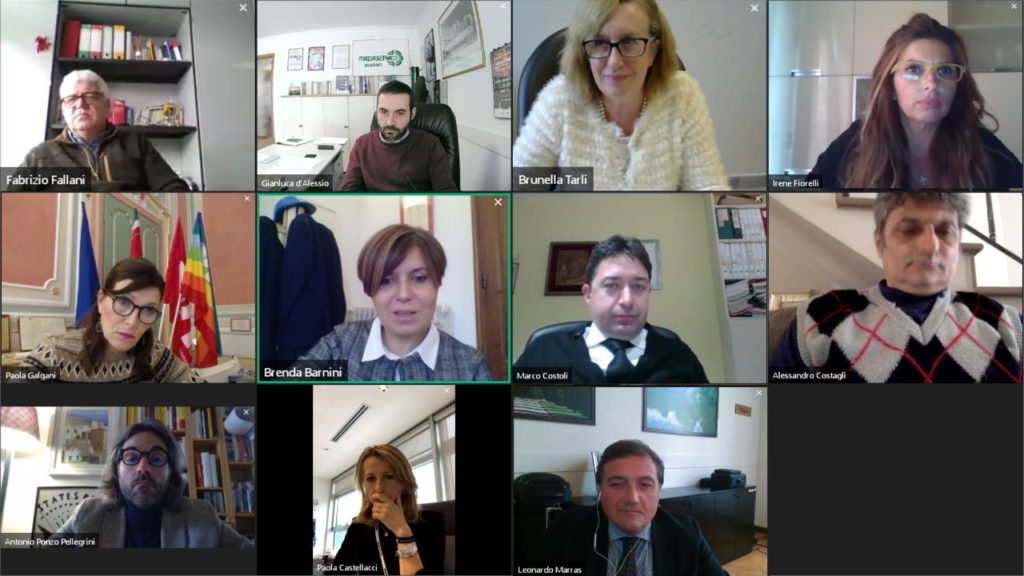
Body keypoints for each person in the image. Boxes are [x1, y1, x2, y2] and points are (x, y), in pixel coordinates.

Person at [769, 192, 1022, 383]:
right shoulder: (819, 318)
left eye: (945, 231)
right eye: (909, 230)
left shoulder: (1006, 322)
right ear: (880, 243)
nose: (930, 246)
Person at [513, 0, 729, 191]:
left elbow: (708, 186)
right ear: (585, 52)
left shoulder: (682, 95)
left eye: (629, 42)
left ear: (653, 51)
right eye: (599, 43)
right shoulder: (559, 99)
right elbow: (518, 184)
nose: (614, 61)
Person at [811, 14, 1022, 189]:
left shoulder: (984, 147)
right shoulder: (856, 140)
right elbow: (806, 186)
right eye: (913, 69)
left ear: (957, 87)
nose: (931, 83)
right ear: (891, 86)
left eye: (945, 70)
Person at [297, 224, 491, 381]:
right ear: (370, 289)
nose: (404, 295)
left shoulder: (470, 366)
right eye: (386, 281)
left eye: (419, 278)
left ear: (437, 284)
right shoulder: (339, 343)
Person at [515, 235, 708, 383]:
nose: (627, 301)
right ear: (588, 294)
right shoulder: (545, 350)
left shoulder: (679, 356)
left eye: (638, 286)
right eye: (612, 285)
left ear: (648, 292)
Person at [540, 440, 727, 576]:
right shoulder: (567, 528)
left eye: (645, 485)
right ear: (600, 489)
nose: (632, 498)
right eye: (617, 484)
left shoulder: (686, 534)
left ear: (659, 491)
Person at [55, 420, 253, 548]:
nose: (143, 468)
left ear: (171, 471)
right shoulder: (88, 514)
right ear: (117, 468)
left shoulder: (202, 516)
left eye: (157, 459)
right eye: (131, 458)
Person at [19, 258, 203, 382]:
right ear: (101, 301)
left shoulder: (154, 354)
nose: (132, 322)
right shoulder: (54, 353)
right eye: (123, 302)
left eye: (148, 310)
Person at [10, 70, 190, 191]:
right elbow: (10, 206)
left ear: (108, 106)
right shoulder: (40, 156)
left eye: (90, 96)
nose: (80, 104)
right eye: (71, 99)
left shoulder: (136, 144)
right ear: (63, 110)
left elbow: (175, 189)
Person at [332, 445, 444, 575]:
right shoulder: (358, 527)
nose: (378, 488)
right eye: (371, 478)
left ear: (404, 482)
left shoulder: (431, 521)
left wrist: (402, 531)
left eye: (389, 476)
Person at [342, 81, 458, 191]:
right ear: (377, 112)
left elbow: (446, 191)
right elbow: (350, 189)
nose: (390, 122)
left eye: (400, 113)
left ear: (412, 114)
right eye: (384, 112)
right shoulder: (361, 145)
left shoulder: (431, 145)